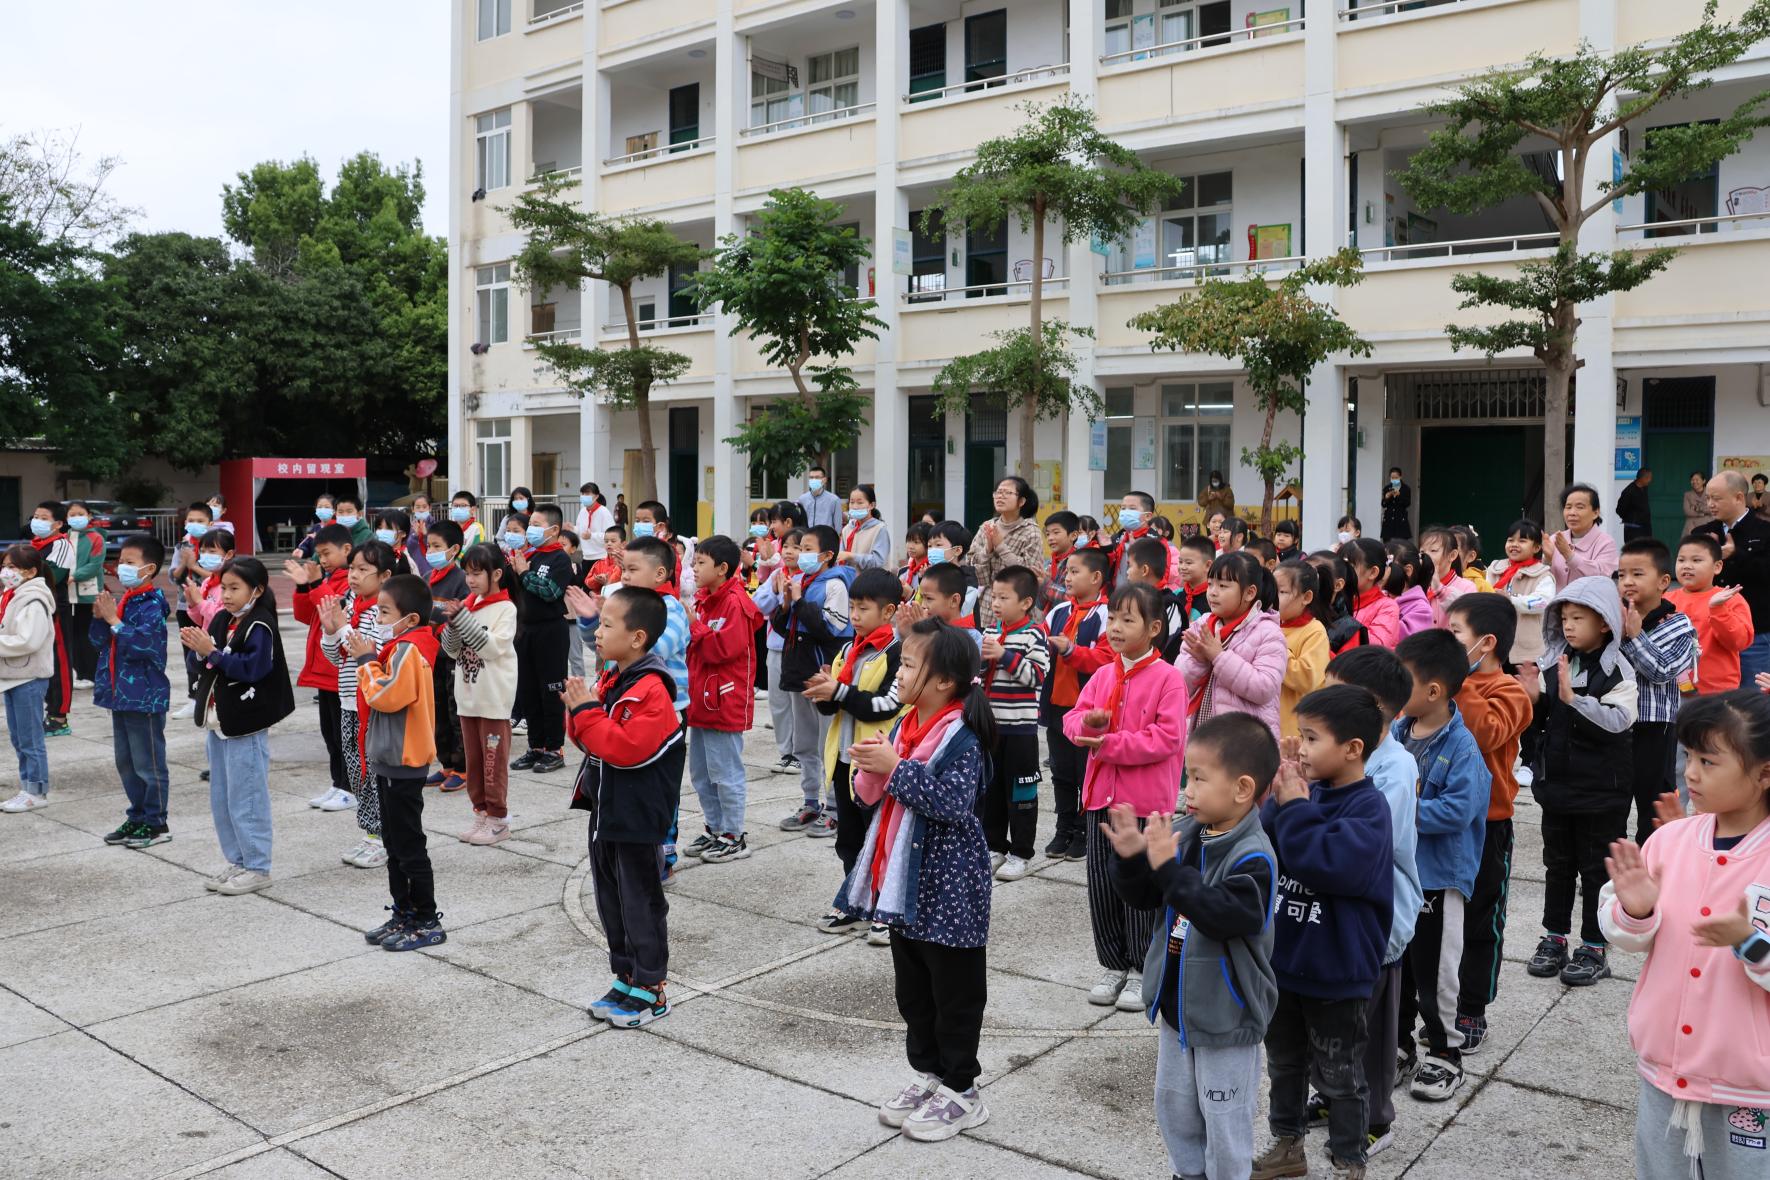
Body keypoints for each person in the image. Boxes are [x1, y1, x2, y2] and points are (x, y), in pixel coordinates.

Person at [835, 619, 995, 1142]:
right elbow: (870, 797)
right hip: (905, 885)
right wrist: (872, 767)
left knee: (955, 993)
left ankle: (963, 1089)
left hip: (949, 888)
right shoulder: (906, 725)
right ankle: (930, 1073)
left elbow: (952, 804)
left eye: (907, 664)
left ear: (944, 681)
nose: (898, 674)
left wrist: (896, 767)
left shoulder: (962, 737)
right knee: (915, 992)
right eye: (901, 663)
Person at [1599, 690, 1770, 1180]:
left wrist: (1750, 942)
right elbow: (1623, 932)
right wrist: (1636, 910)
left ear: (1764, 773)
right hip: (1664, 1068)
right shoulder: (1670, 841)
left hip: (1749, 1088)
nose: (1691, 773)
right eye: (1689, 756)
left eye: (1709, 762)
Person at [1103, 711, 1279, 1180]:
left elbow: (1222, 915)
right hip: (1178, 1011)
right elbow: (1146, 897)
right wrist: (1132, 859)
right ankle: (1186, 1173)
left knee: (1224, 1119)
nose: (1187, 790)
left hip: (1226, 1018)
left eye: (1199, 778)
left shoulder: (1254, 856)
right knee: (1176, 1108)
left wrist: (1168, 869)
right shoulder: (1186, 834)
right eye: (1188, 777)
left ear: (1242, 788)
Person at [1252, 685, 1393, 1180]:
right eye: (1301, 736)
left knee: (1340, 1075)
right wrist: (1281, 793)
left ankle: (1348, 1159)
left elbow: (1324, 863)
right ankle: (1287, 1144)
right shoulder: (1304, 794)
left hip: (1337, 972)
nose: (1303, 748)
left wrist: (1294, 804)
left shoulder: (1369, 809)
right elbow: (1269, 844)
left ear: (1353, 748)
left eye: (1312, 738)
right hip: (1287, 963)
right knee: (1284, 1063)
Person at [1065, 582, 1188, 1014]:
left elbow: (1167, 738)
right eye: (1113, 618)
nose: (1115, 627)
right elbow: (1073, 719)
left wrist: (1108, 743)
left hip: (1144, 805)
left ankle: (1140, 966)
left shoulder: (1169, 679)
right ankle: (1113, 964)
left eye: (1127, 620)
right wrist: (1089, 725)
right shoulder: (1103, 674)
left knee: (1140, 890)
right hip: (1102, 799)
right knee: (1102, 885)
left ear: (1153, 628)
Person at [1317, 646, 1421, 1155]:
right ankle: (1331, 1097)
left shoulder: (1395, 768)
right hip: (1335, 911)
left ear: (1380, 711)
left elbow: (1363, 843)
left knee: (1370, 1028)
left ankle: (1374, 1117)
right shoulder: (1335, 753)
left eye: (1337, 698)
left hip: (1377, 920)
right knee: (1328, 1020)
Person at [569, 587, 689, 1028]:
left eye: (606, 625)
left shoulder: (651, 689)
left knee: (640, 901)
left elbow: (625, 749)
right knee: (610, 898)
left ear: (637, 638)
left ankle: (652, 987)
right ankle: (626, 975)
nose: (597, 633)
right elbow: (589, 740)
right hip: (608, 809)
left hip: (635, 815)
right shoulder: (614, 677)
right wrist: (580, 710)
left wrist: (585, 711)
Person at [1391, 630, 1490, 1103]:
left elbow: (1456, 811)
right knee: (1398, 966)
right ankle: (1398, 1044)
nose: (1392, 689)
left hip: (1438, 879)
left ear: (1433, 691)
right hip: (1399, 873)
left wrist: (1399, 808)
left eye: (1401, 680)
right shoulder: (1397, 732)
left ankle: (1446, 1052)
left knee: (1436, 972)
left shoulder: (1463, 748)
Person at [1524, 576, 1638, 988]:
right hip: (1557, 787)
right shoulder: (1556, 662)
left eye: (1579, 618)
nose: (1569, 626)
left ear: (1605, 622)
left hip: (1602, 793)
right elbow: (1542, 719)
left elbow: (1618, 721)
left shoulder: (1618, 669)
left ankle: (1594, 945)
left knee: (1596, 871)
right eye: (1564, 618)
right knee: (1557, 865)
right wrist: (1534, 698)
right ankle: (1554, 936)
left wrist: (1575, 700)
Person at [1441, 593, 1533, 1051]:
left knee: (1481, 920)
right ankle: (1437, 1002)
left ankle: (1472, 1007)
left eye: (1455, 632)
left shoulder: (1509, 691)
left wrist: (1460, 681)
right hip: (1440, 821)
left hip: (1488, 824)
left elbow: (1484, 732)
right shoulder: (1441, 684)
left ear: (1487, 642)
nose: (1447, 640)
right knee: (1437, 919)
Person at [571, 534, 690, 878]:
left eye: (633, 569)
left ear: (660, 573)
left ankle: (663, 851)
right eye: (623, 569)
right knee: (625, 779)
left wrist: (617, 627)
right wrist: (592, 622)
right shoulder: (624, 604)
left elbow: (652, 648)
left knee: (658, 784)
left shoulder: (670, 609)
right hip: (623, 702)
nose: (624, 575)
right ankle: (627, 842)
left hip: (666, 711)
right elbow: (602, 646)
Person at [181, 556, 295, 894]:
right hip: (220, 721)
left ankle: (257, 866)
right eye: (223, 588)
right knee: (223, 797)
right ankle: (238, 860)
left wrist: (212, 653)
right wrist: (199, 650)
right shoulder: (222, 619)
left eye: (235, 588)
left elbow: (252, 669)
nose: (227, 595)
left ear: (256, 590)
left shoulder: (260, 625)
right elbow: (202, 661)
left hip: (246, 722)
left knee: (248, 796)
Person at [808, 568, 904, 942]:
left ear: (889, 611)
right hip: (843, 760)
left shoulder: (895, 652)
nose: (855, 615)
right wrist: (823, 693)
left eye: (863, 608)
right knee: (849, 839)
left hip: (875, 764)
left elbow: (885, 705)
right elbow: (834, 704)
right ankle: (855, 901)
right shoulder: (849, 650)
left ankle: (884, 908)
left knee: (879, 839)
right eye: (852, 607)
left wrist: (837, 692)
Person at [353, 574, 444, 952]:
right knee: (393, 843)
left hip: (404, 761)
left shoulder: (410, 648)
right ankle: (403, 911)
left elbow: (386, 697)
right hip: (390, 760)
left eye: (385, 612)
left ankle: (426, 918)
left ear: (410, 619)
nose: (378, 619)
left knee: (409, 845)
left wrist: (365, 662)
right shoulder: (401, 647)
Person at [683, 536, 762, 863]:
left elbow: (722, 649)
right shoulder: (704, 599)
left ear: (722, 568)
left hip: (723, 701)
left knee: (725, 772)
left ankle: (734, 834)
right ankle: (715, 827)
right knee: (702, 773)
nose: (694, 568)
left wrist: (694, 628)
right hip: (701, 700)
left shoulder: (734, 602)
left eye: (701, 562)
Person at [91, 535, 172, 849]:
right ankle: (137, 816)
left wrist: (113, 619)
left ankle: (157, 822)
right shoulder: (125, 600)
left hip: (144, 695)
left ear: (148, 569)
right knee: (126, 762)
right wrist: (101, 619)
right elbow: (100, 642)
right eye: (120, 561)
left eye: (130, 562)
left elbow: (143, 645)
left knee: (148, 763)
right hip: (120, 694)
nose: (121, 567)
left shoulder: (152, 604)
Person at [1615, 538, 1698, 847]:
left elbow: (1662, 670)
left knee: (1654, 806)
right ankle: (1612, 864)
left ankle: (1654, 861)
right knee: (1612, 802)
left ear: (1664, 582)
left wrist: (1635, 636)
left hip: (1654, 728)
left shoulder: (1679, 625)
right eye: (1622, 574)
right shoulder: (1612, 619)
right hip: (1613, 724)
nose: (1627, 581)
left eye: (1637, 574)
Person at [776, 526, 856, 837]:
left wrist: (799, 602)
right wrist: (787, 604)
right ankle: (810, 801)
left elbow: (830, 629)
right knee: (804, 744)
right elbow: (785, 629)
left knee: (828, 745)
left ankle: (834, 808)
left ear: (827, 555)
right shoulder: (802, 581)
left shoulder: (835, 584)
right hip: (798, 673)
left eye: (807, 549)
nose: (801, 554)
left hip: (822, 673)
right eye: (800, 548)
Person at [321, 540, 395, 868]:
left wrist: (342, 628)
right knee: (356, 771)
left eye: (363, 569)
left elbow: (373, 651)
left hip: (372, 704)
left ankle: (384, 836)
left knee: (374, 771)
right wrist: (330, 632)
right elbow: (336, 657)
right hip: (349, 700)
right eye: (351, 568)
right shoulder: (351, 606)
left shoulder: (383, 612)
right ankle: (370, 833)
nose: (354, 575)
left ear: (385, 575)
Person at [439, 543, 519, 845]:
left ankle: (498, 819)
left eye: (476, 574)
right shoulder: (468, 605)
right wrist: (453, 623)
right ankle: (481, 813)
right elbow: (450, 650)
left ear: (496, 574)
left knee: (492, 763)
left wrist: (461, 618)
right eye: (467, 574)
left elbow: (490, 647)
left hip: (493, 700)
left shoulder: (506, 608)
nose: (470, 580)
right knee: (473, 763)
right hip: (468, 698)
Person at [978, 566, 1050, 882]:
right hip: (992, 728)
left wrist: (1004, 655)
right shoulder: (990, 631)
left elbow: (1036, 676)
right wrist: (982, 662)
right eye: (994, 597)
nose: (996, 603)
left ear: (1025, 602)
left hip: (1020, 729)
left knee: (1022, 792)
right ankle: (994, 846)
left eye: (1004, 598)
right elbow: (980, 675)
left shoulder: (1035, 634)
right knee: (991, 791)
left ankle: (1021, 853)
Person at [1042, 547, 1110, 862]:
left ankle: (1083, 830)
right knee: (1061, 771)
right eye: (1066, 571)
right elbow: (1039, 644)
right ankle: (1063, 826)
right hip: (1056, 705)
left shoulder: (1106, 614)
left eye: (1074, 571)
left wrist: (1072, 651)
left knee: (1086, 772)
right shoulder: (1058, 612)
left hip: (1086, 711)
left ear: (1096, 577)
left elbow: (1106, 659)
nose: (1067, 578)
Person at [285, 524, 356, 812]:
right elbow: (306, 615)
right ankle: (338, 783)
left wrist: (315, 585)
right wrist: (303, 587)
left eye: (327, 553)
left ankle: (351, 787)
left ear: (346, 549)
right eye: (320, 554)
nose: (322, 560)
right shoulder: (327, 579)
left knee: (344, 735)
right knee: (330, 735)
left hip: (339, 671)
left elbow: (333, 611)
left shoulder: (351, 580)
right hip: (323, 670)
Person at [1179, 551, 1286, 739]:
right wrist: (1200, 661)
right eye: (1210, 584)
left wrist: (1218, 657)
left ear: (1249, 593)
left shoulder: (1268, 632)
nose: (1213, 592)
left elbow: (1264, 688)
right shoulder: (1203, 624)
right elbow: (1180, 683)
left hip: (1244, 741)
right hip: (1200, 736)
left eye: (1223, 586)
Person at [509, 503, 574, 775]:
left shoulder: (560, 559)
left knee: (551, 690)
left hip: (551, 631)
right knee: (528, 690)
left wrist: (524, 573)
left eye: (536, 525)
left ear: (554, 530)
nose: (530, 530)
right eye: (530, 526)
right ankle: (535, 746)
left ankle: (554, 749)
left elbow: (550, 592)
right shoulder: (530, 556)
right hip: (525, 630)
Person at [1696, 469, 1770, 685]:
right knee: (1713, 696)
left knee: (1752, 696)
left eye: (1716, 498)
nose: (1710, 504)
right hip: (1710, 631)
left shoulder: (1765, 531)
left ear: (1738, 497)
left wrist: (1736, 555)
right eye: (1708, 498)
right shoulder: (1702, 533)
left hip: (1756, 631)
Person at [0, 545, 56, 813]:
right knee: (20, 738)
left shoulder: (33, 600)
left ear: (31, 571)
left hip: (28, 677)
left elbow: (28, 640)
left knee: (31, 740)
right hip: (14, 675)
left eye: (12, 567)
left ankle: (36, 790)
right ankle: (27, 788)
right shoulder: (12, 595)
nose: (6, 572)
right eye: (4, 566)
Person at [1667, 534, 1755, 694]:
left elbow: (1739, 642)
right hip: (1671, 692)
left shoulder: (1729, 598)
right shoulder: (1665, 601)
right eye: (1681, 560)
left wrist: (1718, 610)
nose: (1687, 566)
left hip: (1717, 692)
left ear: (1717, 567)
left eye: (1696, 560)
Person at [422, 522, 469, 793]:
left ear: (453, 549)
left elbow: (462, 617)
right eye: (429, 546)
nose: (431, 551)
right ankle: (446, 764)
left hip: (452, 656)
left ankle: (463, 767)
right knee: (437, 710)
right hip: (430, 655)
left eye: (437, 546)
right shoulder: (427, 577)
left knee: (454, 711)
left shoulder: (461, 580)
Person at [965, 477, 1045, 628]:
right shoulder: (986, 527)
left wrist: (1001, 547)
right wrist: (987, 550)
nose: (1000, 496)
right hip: (988, 608)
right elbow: (977, 574)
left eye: (1007, 493)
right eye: (998, 492)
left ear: (1021, 501)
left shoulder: (1031, 531)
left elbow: (1030, 574)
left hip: (1018, 607)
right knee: (989, 641)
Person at [754, 528, 803, 773]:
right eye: (786, 547)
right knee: (779, 702)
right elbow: (757, 606)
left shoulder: (810, 578)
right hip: (775, 647)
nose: (789, 552)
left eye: (797, 547)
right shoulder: (776, 574)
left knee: (800, 704)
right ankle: (786, 752)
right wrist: (774, 592)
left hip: (800, 648)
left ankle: (802, 753)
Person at [28, 501, 75, 737]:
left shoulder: (61, 544)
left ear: (57, 524)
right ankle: (47, 711)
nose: (37, 521)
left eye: (43, 518)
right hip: (36, 608)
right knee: (42, 661)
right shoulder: (34, 545)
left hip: (56, 610)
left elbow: (52, 576)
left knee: (60, 662)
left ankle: (59, 717)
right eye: (35, 516)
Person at [1485, 520, 1555, 666]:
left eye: (1522, 541)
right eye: (1510, 540)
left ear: (1536, 547)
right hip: (1495, 646)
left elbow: (1543, 602)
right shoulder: (1495, 568)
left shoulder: (1543, 574)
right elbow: (1485, 593)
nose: (1514, 544)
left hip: (1527, 652)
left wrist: (1511, 600)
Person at [1275, 560, 1330, 740]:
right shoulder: (1269, 625)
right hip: (1266, 721)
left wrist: (1275, 645)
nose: (1273, 598)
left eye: (1282, 592)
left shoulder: (1314, 631)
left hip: (1293, 730)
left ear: (1306, 597)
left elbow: (1307, 678)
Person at [61, 501, 105, 689]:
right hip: (67, 592)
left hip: (89, 593)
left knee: (87, 634)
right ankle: (79, 673)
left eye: (81, 514)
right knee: (72, 634)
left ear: (89, 516)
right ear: (66, 518)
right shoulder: (64, 537)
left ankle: (91, 674)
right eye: (72, 514)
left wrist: (74, 576)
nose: (76, 518)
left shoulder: (96, 538)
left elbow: (95, 565)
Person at [1125, 537, 1187, 663]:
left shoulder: (1168, 604)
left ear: (1144, 570)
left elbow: (1157, 647)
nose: (1127, 572)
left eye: (1130, 566)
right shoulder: (1133, 601)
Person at [1548, 482, 1619, 588]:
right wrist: (1546, 560)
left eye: (1580, 507)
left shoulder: (1606, 543)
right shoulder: (1554, 539)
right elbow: (1543, 581)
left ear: (1595, 513)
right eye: (1568, 507)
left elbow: (1601, 577)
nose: (1572, 513)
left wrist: (1569, 556)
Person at [1109, 491, 1181, 590]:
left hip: (1144, 596)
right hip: (1116, 596)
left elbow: (1161, 576)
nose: (1125, 512)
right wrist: (1106, 550)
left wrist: (1137, 552)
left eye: (1132, 508)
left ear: (1148, 516)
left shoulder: (1156, 542)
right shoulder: (1117, 538)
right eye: (1123, 508)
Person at [1341, 538, 1400, 648]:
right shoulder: (1336, 599)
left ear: (1372, 572)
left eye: (1349, 567)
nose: (1341, 572)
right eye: (1340, 566)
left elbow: (1375, 646)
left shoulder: (1387, 607)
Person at [1419, 525, 1476, 624]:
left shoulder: (1467, 587)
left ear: (1452, 555)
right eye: (1422, 551)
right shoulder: (1415, 585)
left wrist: (1440, 590)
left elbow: (1468, 617)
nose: (1426, 555)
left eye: (1433, 550)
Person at [1384, 541, 1434, 639]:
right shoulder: (1381, 596)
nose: (1381, 571)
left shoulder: (1422, 610)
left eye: (1387, 565)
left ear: (1407, 570)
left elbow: (1395, 637)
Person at [837, 484, 891, 571]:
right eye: (852, 502)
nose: (855, 507)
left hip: (872, 578)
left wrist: (851, 556)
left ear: (872, 505)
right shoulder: (847, 529)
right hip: (850, 577)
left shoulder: (879, 529)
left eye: (860, 502)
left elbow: (878, 561)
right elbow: (841, 558)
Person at [1039, 510, 1081, 618]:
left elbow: (1071, 599)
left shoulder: (1079, 562)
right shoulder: (1049, 563)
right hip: (1049, 619)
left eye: (1056, 532)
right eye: (1047, 534)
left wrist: (1046, 584)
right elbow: (1040, 605)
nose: (1050, 538)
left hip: (1068, 619)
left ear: (1073, 535)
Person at [1174, 535, 1214, 628]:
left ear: (1208, 565)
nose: (1182, 567)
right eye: (1180, 562)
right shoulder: (1176, 595)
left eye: (1188, 563)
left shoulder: (1214, 599)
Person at [575, 482, 617, 560]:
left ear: (596, 496)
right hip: (586, 556)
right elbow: (580, 530)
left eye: (587, 493)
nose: (584, 496)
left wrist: (592, 536)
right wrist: (572, 529)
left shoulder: (604, 512)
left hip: (601, 556)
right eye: (582, 494)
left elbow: (611, 535)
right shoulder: (582, 511)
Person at [796, 466, 843, 531]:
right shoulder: (802, 499)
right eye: (811, 477)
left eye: (817, 477)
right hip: (806, 535)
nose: (814, 480)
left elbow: (838, 525)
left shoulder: (834, 500)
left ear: (824, 480)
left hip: (825, 536)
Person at [1616, 469, 1655, 542]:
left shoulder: (1644, 488)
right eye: (1648, 478)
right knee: (1634, 549)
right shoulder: (1628, 491)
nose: (1650, 480)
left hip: (1645, 528)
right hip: (1633, 530)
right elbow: (1619, 510)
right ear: (1642, 478)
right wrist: (1631, 518)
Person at [296, 495, 340, 559]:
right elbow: (306, 544)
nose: (323, 510)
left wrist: (319, 539)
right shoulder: (315, 527)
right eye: (319, 507)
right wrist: (302, 550)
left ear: (334, 510)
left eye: (327, 507)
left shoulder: (338, 528)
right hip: (316, 563)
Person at [899, 522, 932, 598]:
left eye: (916, 542)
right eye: (908, 541)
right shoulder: (903, 571)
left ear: (929, 545)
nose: (910, 546)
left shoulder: (931, 572)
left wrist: (911, 594)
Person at [1380, 468, 1412, 541]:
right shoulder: (1387, 488)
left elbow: (1407, 503)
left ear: (1400, 477)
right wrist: (1386, 498)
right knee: (1387, 542)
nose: (1394, 479)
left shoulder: (1406, 488)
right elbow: (1383, 504)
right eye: (1392, 478)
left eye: (1396, 478)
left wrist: (1399, 495)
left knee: (1401, 542)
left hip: (1400, 519)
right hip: (1389, 519)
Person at [1683, 471, 1712, 537]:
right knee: (1691, 542)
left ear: (1704, 481)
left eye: (1697, 479)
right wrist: (1702, 513)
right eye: (1692, 480)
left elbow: (1711, 509)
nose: (1694, 482)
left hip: (1708, 524)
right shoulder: (1687, 495)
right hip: (1692, 525)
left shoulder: (1710, 493)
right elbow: (1687, 511)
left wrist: (1697, 508)